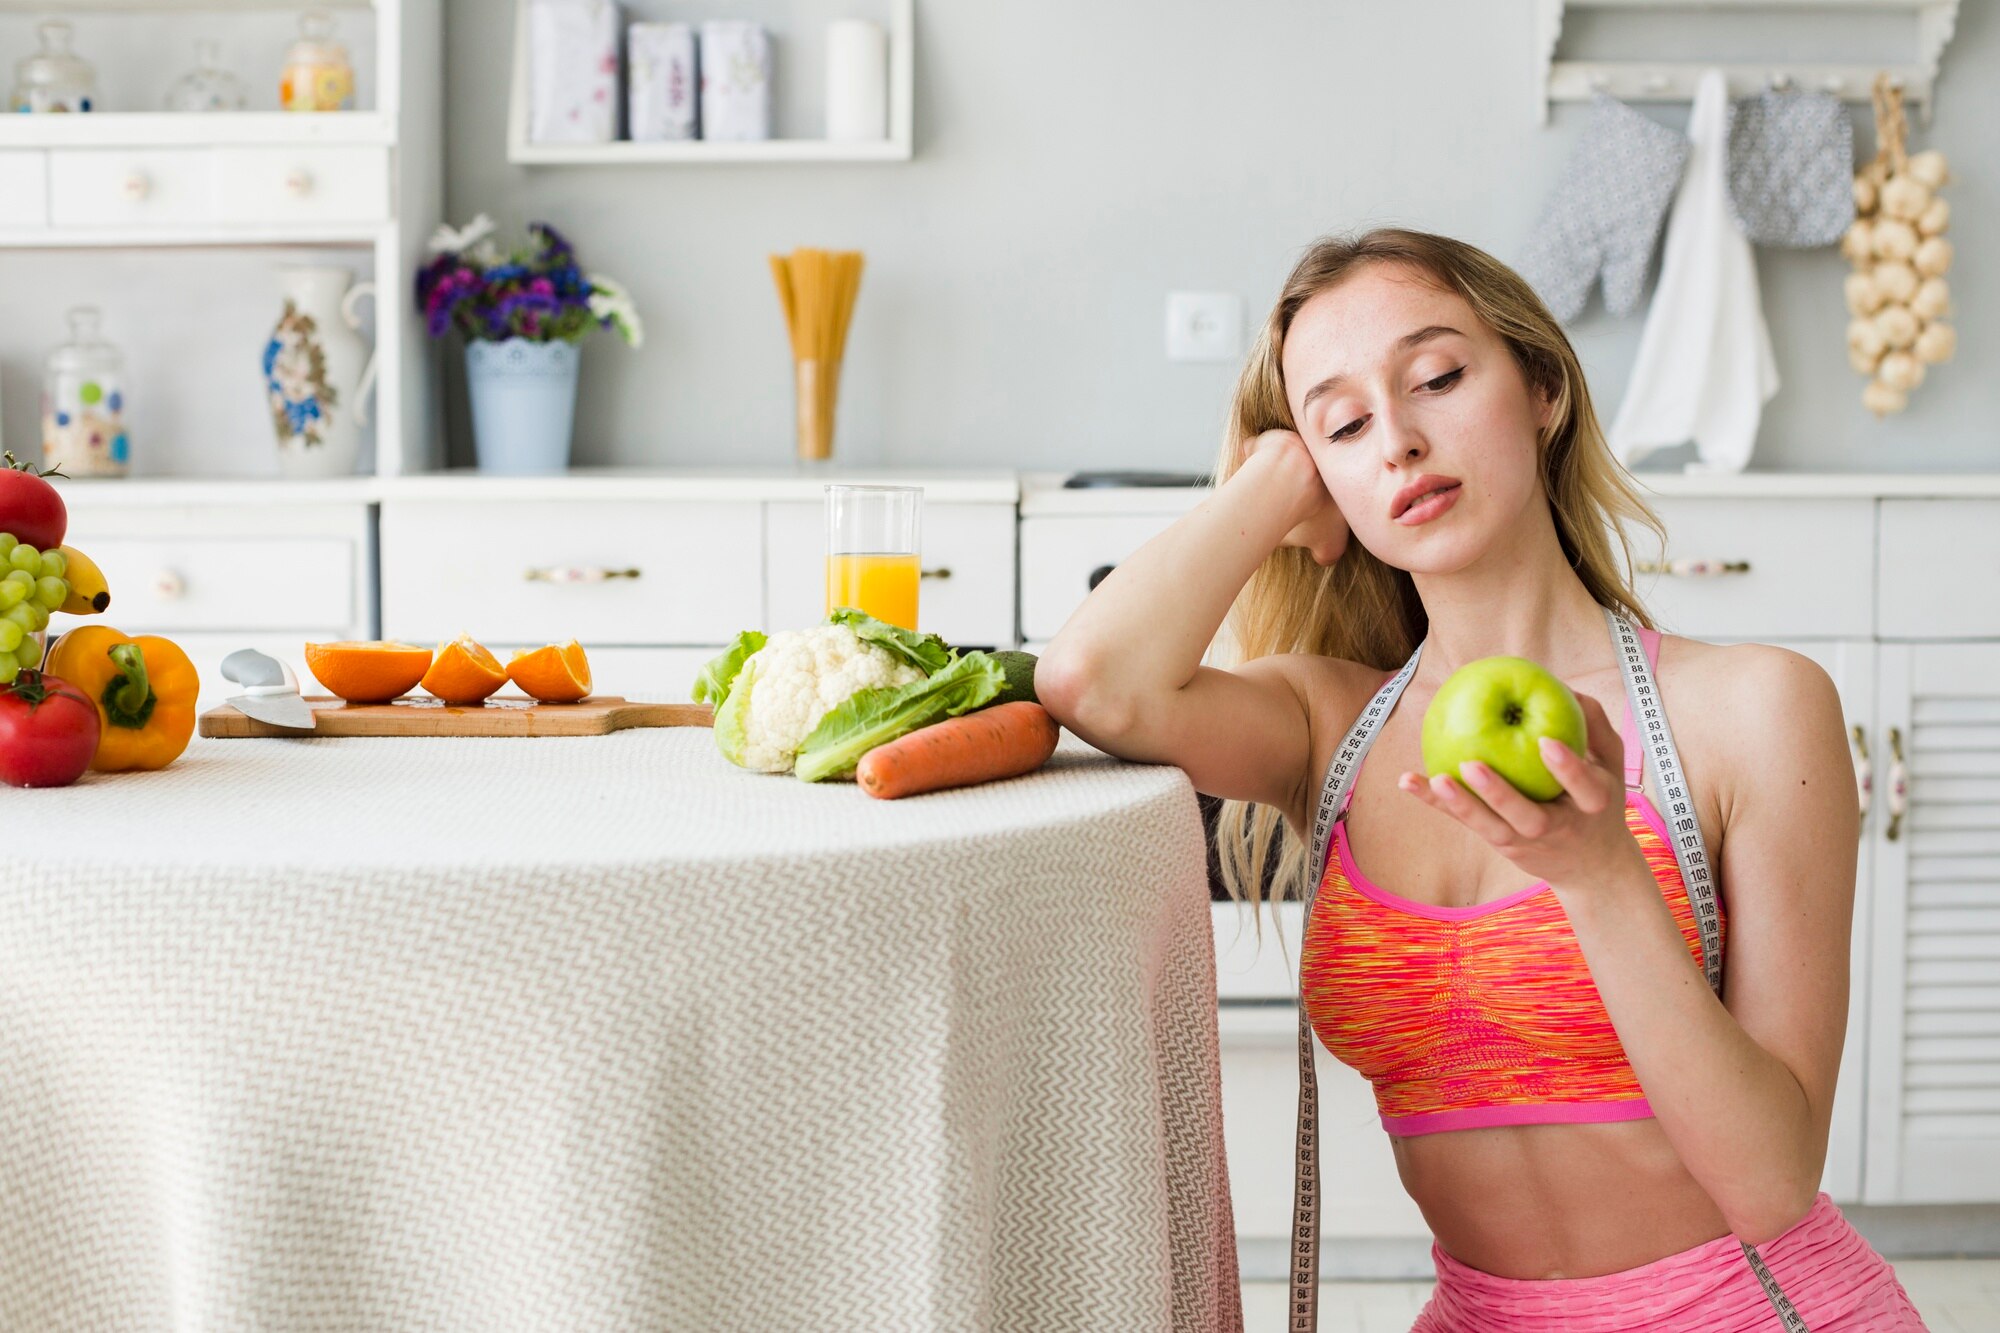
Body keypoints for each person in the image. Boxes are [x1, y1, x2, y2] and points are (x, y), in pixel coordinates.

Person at [1035, 229, 1927, 1330]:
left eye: (1437, 379)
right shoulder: (1330, 727)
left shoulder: (1750, 709)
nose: (1399, 442)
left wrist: (1601, 875)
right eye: (1346, 426)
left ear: (1540, 386)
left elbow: (1767, 1182)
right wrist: (1272, 477)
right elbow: (1089, 682)